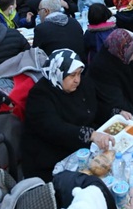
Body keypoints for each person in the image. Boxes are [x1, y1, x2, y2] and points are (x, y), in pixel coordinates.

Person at [22, 49, 115, 181]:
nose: (77, 80)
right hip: (51, 156)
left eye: (79, 74)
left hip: (80, 148)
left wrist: (116, 112)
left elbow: (95, 108)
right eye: (72, 75)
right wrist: (90, 135)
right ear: (58, 73)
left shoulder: (83, 84)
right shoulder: (40, 95)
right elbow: (53, 128)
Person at [88, 29, 133, 119]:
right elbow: (116, 101)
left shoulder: (128, 57)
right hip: (123, 116)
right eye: (132, 48)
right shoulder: (102, 68)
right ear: (122, 50)